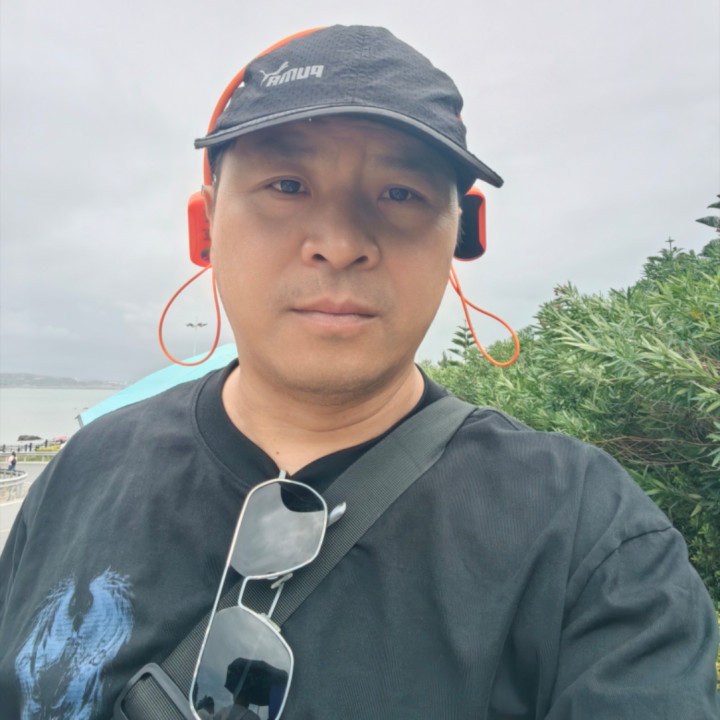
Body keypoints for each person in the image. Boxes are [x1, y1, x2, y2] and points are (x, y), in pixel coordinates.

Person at [0, 25, 717, 720]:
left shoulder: (585, 534)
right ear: (206, 223)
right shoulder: (82, 472)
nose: (340, 244)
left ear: (461, 233)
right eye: (287, 184)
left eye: (400, 192)